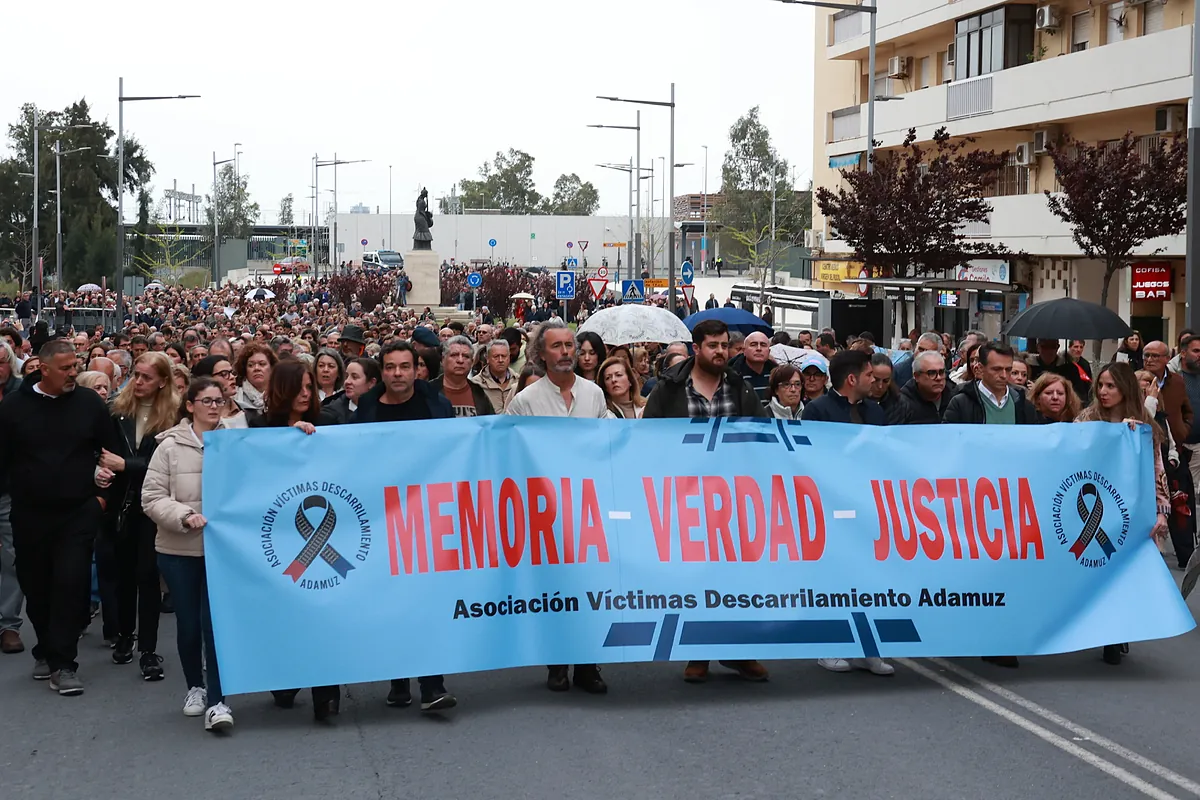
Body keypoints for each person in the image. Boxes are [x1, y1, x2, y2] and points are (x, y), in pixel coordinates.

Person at [644, 319, 769, 685]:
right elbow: (648, 438)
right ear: (696, 347)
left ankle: (739, 651)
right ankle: (697, 652)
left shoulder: (739, 387)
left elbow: (761, 433)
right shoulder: (670, 389)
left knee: (737, 578)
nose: (720, 352)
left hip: (733, 498)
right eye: (712, 345)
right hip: (685, 498)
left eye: (724, 346)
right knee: (695, 576)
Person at [0, 340, 116, 695]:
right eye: (65, 368)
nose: (72, 373)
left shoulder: (88, 403)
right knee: (37, 586)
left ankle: (64, 663)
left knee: (71, 582)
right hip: (30, 513)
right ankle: (46, 650)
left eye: (75, 366)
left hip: (77, 512)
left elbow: (111, 450)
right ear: (42, 369)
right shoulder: (15, 407)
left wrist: (101, 498)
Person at [350, 341, 458, 711]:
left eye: (405, 367)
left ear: (417, 370)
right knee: (391, 601)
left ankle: (432, 684)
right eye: (391, 367)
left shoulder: (436, 405)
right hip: (380, 520)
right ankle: (398, 679)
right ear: (382, 372)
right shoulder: (366, 408)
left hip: (426, 519)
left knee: (427, 602)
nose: (398, 374)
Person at [506, 320, 611, 693]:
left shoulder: (594, 394)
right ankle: (556, 663)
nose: (566, 352)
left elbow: (612, 443)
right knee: (554, 590)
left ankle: (588, 665)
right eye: (558, 346)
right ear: (540, 354)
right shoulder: (526, 402)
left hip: (588, 509)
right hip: (545, 512)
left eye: (571, 345)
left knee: (590, 589)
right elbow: (509, 452)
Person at [250, 360, 342, 720]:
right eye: (299, 387)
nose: (306, 394)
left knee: (323, 613)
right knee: (286, 613)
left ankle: (327, 695)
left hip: (323, 527)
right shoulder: (258, 427)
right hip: (278, 536)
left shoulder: (329, 424)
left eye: (310, 386)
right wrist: (287, 441)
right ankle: (285, 679)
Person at [142, 378, 232, 731]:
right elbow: (152, 496)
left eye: (219, 400)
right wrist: (183, 515)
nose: (213, 406)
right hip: (179, 549)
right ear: (190, 405)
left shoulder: (234, 442)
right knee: (190, 624)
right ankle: (195, 685)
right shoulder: (168, 447)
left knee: (216, 625)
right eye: (206, 400)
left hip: (223, 553)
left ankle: (218, 699)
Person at [1075, 362, 1170, 664]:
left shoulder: (1144, 427)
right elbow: (1070, 454)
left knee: (1125, 575)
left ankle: (1117, 634)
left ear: (1125, 389)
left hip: (1130, 511)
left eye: (1110, 386)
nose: (1103, 392)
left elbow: (1156, 470)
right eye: (1100, 385)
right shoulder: (1087, 420)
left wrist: (1161, 511)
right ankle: (1103, 630)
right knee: (1097, 571)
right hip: (1094, 509)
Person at [95, 351, 177, 682]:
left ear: (162, 382)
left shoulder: (172, 416)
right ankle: (125, 635)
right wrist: (100, 471)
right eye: (136, 374)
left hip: (154, 506)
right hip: (121, 505)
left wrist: (125, 465)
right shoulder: (116, 410)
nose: (138, 382)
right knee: (125, 575)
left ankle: (148, 649)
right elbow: (100, 452)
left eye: (146, 377)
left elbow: (166, 466)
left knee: (146, 575)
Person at [943, 342, 1041, 426]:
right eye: (996, 369)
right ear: (980, 369)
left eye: (1008, 370)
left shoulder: (1023, 404)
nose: (1004, 375)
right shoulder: (961, 404)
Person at [0, 342, 22, 654]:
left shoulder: (21, 395)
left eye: (2, 362)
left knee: (11, 559)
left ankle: (9, 625)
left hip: (9, 489)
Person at [432, 336, 495, 417]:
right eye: (454, 355)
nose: (460, 360)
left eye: (466, 356)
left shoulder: (479, 392)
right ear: (443, 360)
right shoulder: (428, 391)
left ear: (472, 362)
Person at [1024, 338, 1090, 403]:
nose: (1049, 351)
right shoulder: (1028, 367)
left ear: (1057, 347)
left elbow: (1080, 394)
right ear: (1038, 347)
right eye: (1045, 347)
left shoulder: (1069, 368)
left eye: (1052, 347)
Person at [894, 351, 952, 425]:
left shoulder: (955, 397)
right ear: (917, 376)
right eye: (931, 373)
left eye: (941, 372)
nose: (938, 378)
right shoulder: (901, 404)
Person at [324, 357, 381, 424]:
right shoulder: (329, 414)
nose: (347, 382)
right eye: (346, 376)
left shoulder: (383, 411)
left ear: (371, 383)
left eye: (354, 377)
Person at [470, 340, 518, 414]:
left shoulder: (519, 381)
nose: (500, 360)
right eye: (496, 356)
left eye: (504, 356)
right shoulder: (476, 384)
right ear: (488, 359)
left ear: (509, 358)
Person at [729, 331, 775, 406]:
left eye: (763, 345)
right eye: (753, 345)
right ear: (744, 351)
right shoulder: (732, 375)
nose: (759, 349)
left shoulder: (776, 375)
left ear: (769, 351)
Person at [233, 342, 276, 412]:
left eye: (262, 364)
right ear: (244, 369)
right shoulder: (235, 395)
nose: (256, 368)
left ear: (272, 367)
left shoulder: (281, 393)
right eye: (250, 365)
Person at [868, 352, 902, 423]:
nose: (880, 386)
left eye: (885, 381)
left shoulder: (898, 403)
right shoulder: (855, 401)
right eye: (876, 380)